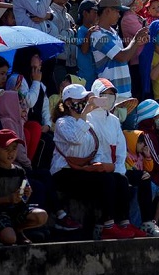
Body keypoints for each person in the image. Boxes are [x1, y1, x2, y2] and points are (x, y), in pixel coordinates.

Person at [51, 84, 137, 240]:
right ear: (69, 103)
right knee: (106, 180)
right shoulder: (62, 123)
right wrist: (85, 113)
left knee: (120, 179)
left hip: (81, 170)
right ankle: (107, 225)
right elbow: (75, 139)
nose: (85, 102)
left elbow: (93, 149)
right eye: (82, 99)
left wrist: (98, 165)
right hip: (63, 173)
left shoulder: (87, 125)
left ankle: (124, 222)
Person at [0, 129, 48, 245]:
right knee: (10, 239)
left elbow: (23, 195)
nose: (11, 153)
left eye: (14, 148)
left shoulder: (20, 171)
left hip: (17, 210)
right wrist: (8, 199)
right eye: (6, 149)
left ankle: (18, 229)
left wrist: (26, 194)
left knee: (41, 216)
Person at [91, 0, 139, 99]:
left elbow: (125, 56)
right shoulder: (98, 35)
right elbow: (122, 57)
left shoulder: (113, 32)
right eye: (117, 11)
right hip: (112, 96)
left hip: (125, 93)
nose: (119, 15)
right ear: (108, 11)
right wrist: (136, 40)